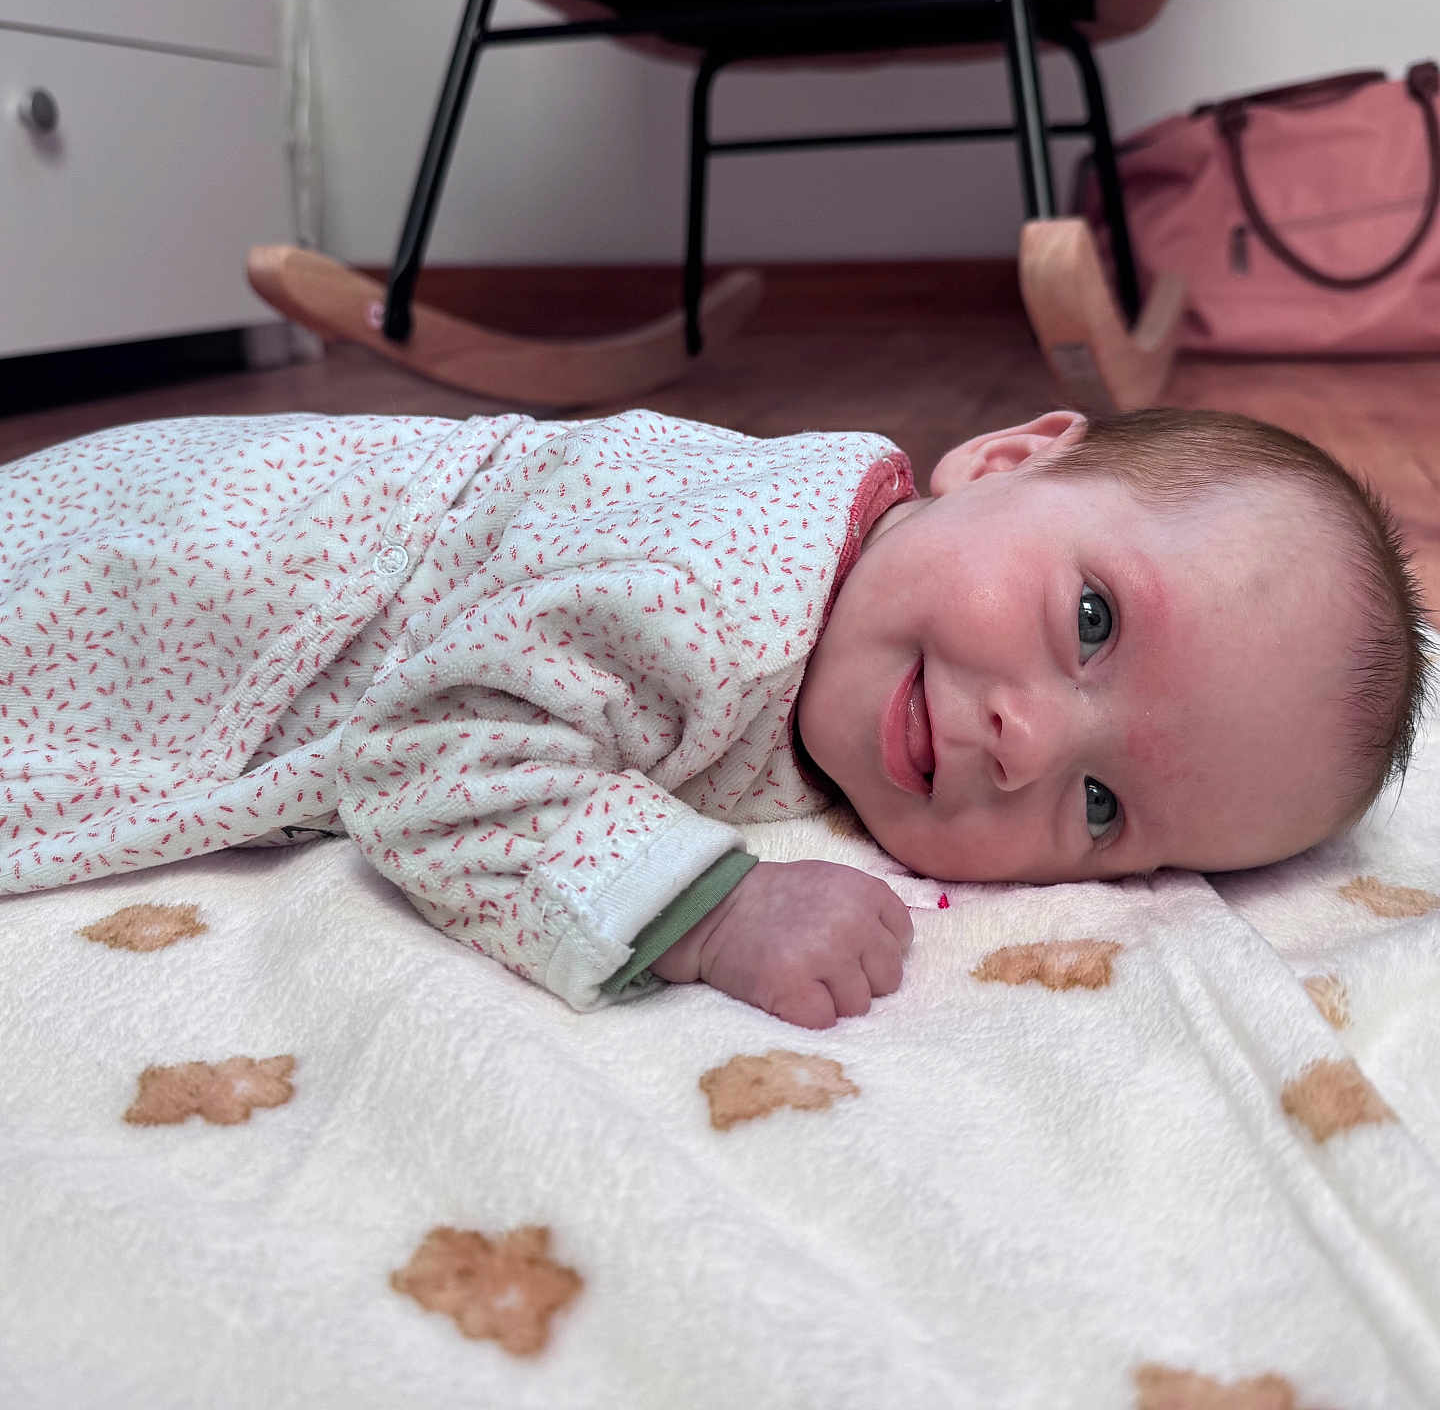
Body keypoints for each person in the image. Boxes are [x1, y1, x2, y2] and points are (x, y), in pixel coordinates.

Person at [1, 406, 1429, 1028]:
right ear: (1002, 461)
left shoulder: (857, 583)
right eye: (1092, 624)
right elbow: (430, 759)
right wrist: (706, 910)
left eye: (1103, 808)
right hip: (135, 575)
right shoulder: (719, 584)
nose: (1028, 742)